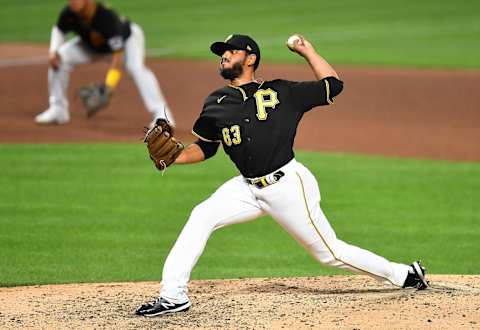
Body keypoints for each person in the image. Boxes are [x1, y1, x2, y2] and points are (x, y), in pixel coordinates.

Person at [135, 34, 428, 317]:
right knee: (201, 215)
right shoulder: (216, 102)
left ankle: (405, 275)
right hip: (245, 188)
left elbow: (333, 85)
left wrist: (307, 51)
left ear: (251, 59)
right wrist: (175, 157)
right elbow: (207, 147)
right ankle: (173, 296)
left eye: (232, 50)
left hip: (286, 185)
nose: (224, 55)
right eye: (222, 52)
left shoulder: (282, 91)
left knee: (331, 254)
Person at [35, 0, 174, 125]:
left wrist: (108, 87)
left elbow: (117, 56)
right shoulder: (69, 12)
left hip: (127, 42)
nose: (72, 2)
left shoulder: (105, 17)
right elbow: (59, 29)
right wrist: (53, 51)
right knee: (60, 58)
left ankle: (162, 115)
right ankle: (58, 109)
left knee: (135, 68)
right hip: (92, 46)